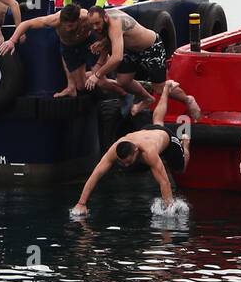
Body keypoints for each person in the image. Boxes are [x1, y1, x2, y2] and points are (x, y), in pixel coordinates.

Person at [71, 78, 194, 216]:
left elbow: (164, 182)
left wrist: (169, 210)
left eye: (129, 161)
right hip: (149, 131)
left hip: (166, 139)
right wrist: (81, 203)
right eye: (123, 163)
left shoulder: (149, 153)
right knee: (158, 121)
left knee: (181, 168)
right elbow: (96, 174)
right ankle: (166, 89)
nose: (127, 165)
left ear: (135, 150)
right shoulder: (115, 149)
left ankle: (185, 142)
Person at [84, 5, 200, 118]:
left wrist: (97, 75)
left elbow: (117, 57)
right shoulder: (103, 24)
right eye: (92, 24)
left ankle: (187, 99)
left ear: (105, 17)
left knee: (160, 88)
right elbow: (110, 40)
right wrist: (101, 52)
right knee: (123, 81)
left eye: (97, 23)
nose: (94, 28)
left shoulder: (115, 23)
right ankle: (147, 98)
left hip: (151, 47)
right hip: (132, 51)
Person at [0, 3, 94, 97]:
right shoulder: (55, 20)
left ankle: (99, 75)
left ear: (78, 20)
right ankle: (78, 83)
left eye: (70, 26)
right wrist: (12, 41)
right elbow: (27, 24)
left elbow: (105, 22)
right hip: (68, 47)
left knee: (101, 81)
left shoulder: (86, 18)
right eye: (66, 25)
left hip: (88, 44)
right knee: (81, 86)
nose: (67, 29)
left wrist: (103, 43)